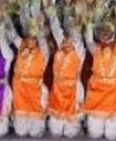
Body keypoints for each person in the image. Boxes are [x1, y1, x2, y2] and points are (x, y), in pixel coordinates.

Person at [83, 13, 116, 140]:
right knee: (95, 134)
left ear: (113, 33)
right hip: (97, 93)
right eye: (102, 31)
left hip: (115, 94)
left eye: (108, 31)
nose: (105, 33)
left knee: (112, 135)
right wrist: (88, 24)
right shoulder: (96, 49)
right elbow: (88, 41)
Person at [46, 8, 86, 138]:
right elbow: (57, 31)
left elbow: (77, 39)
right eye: (68, 29)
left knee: (70, 132)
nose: (68, 35)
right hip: (58, 90)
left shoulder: (79, 50)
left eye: (72, 29)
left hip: (73, 89)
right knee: (55, 131)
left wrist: (77, 26)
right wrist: (51, 12)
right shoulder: (61, 45)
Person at [10, 16, 50, 137]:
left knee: (35, 132)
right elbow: (12, 34)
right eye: (29, 38)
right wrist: (4, 18)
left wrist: (40, 29)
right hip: (20, 89)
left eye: (34, 38)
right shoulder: (22, 46)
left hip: (35, 90)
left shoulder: (43, 51)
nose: (31, 41)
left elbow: (42, 41)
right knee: (20, 132)